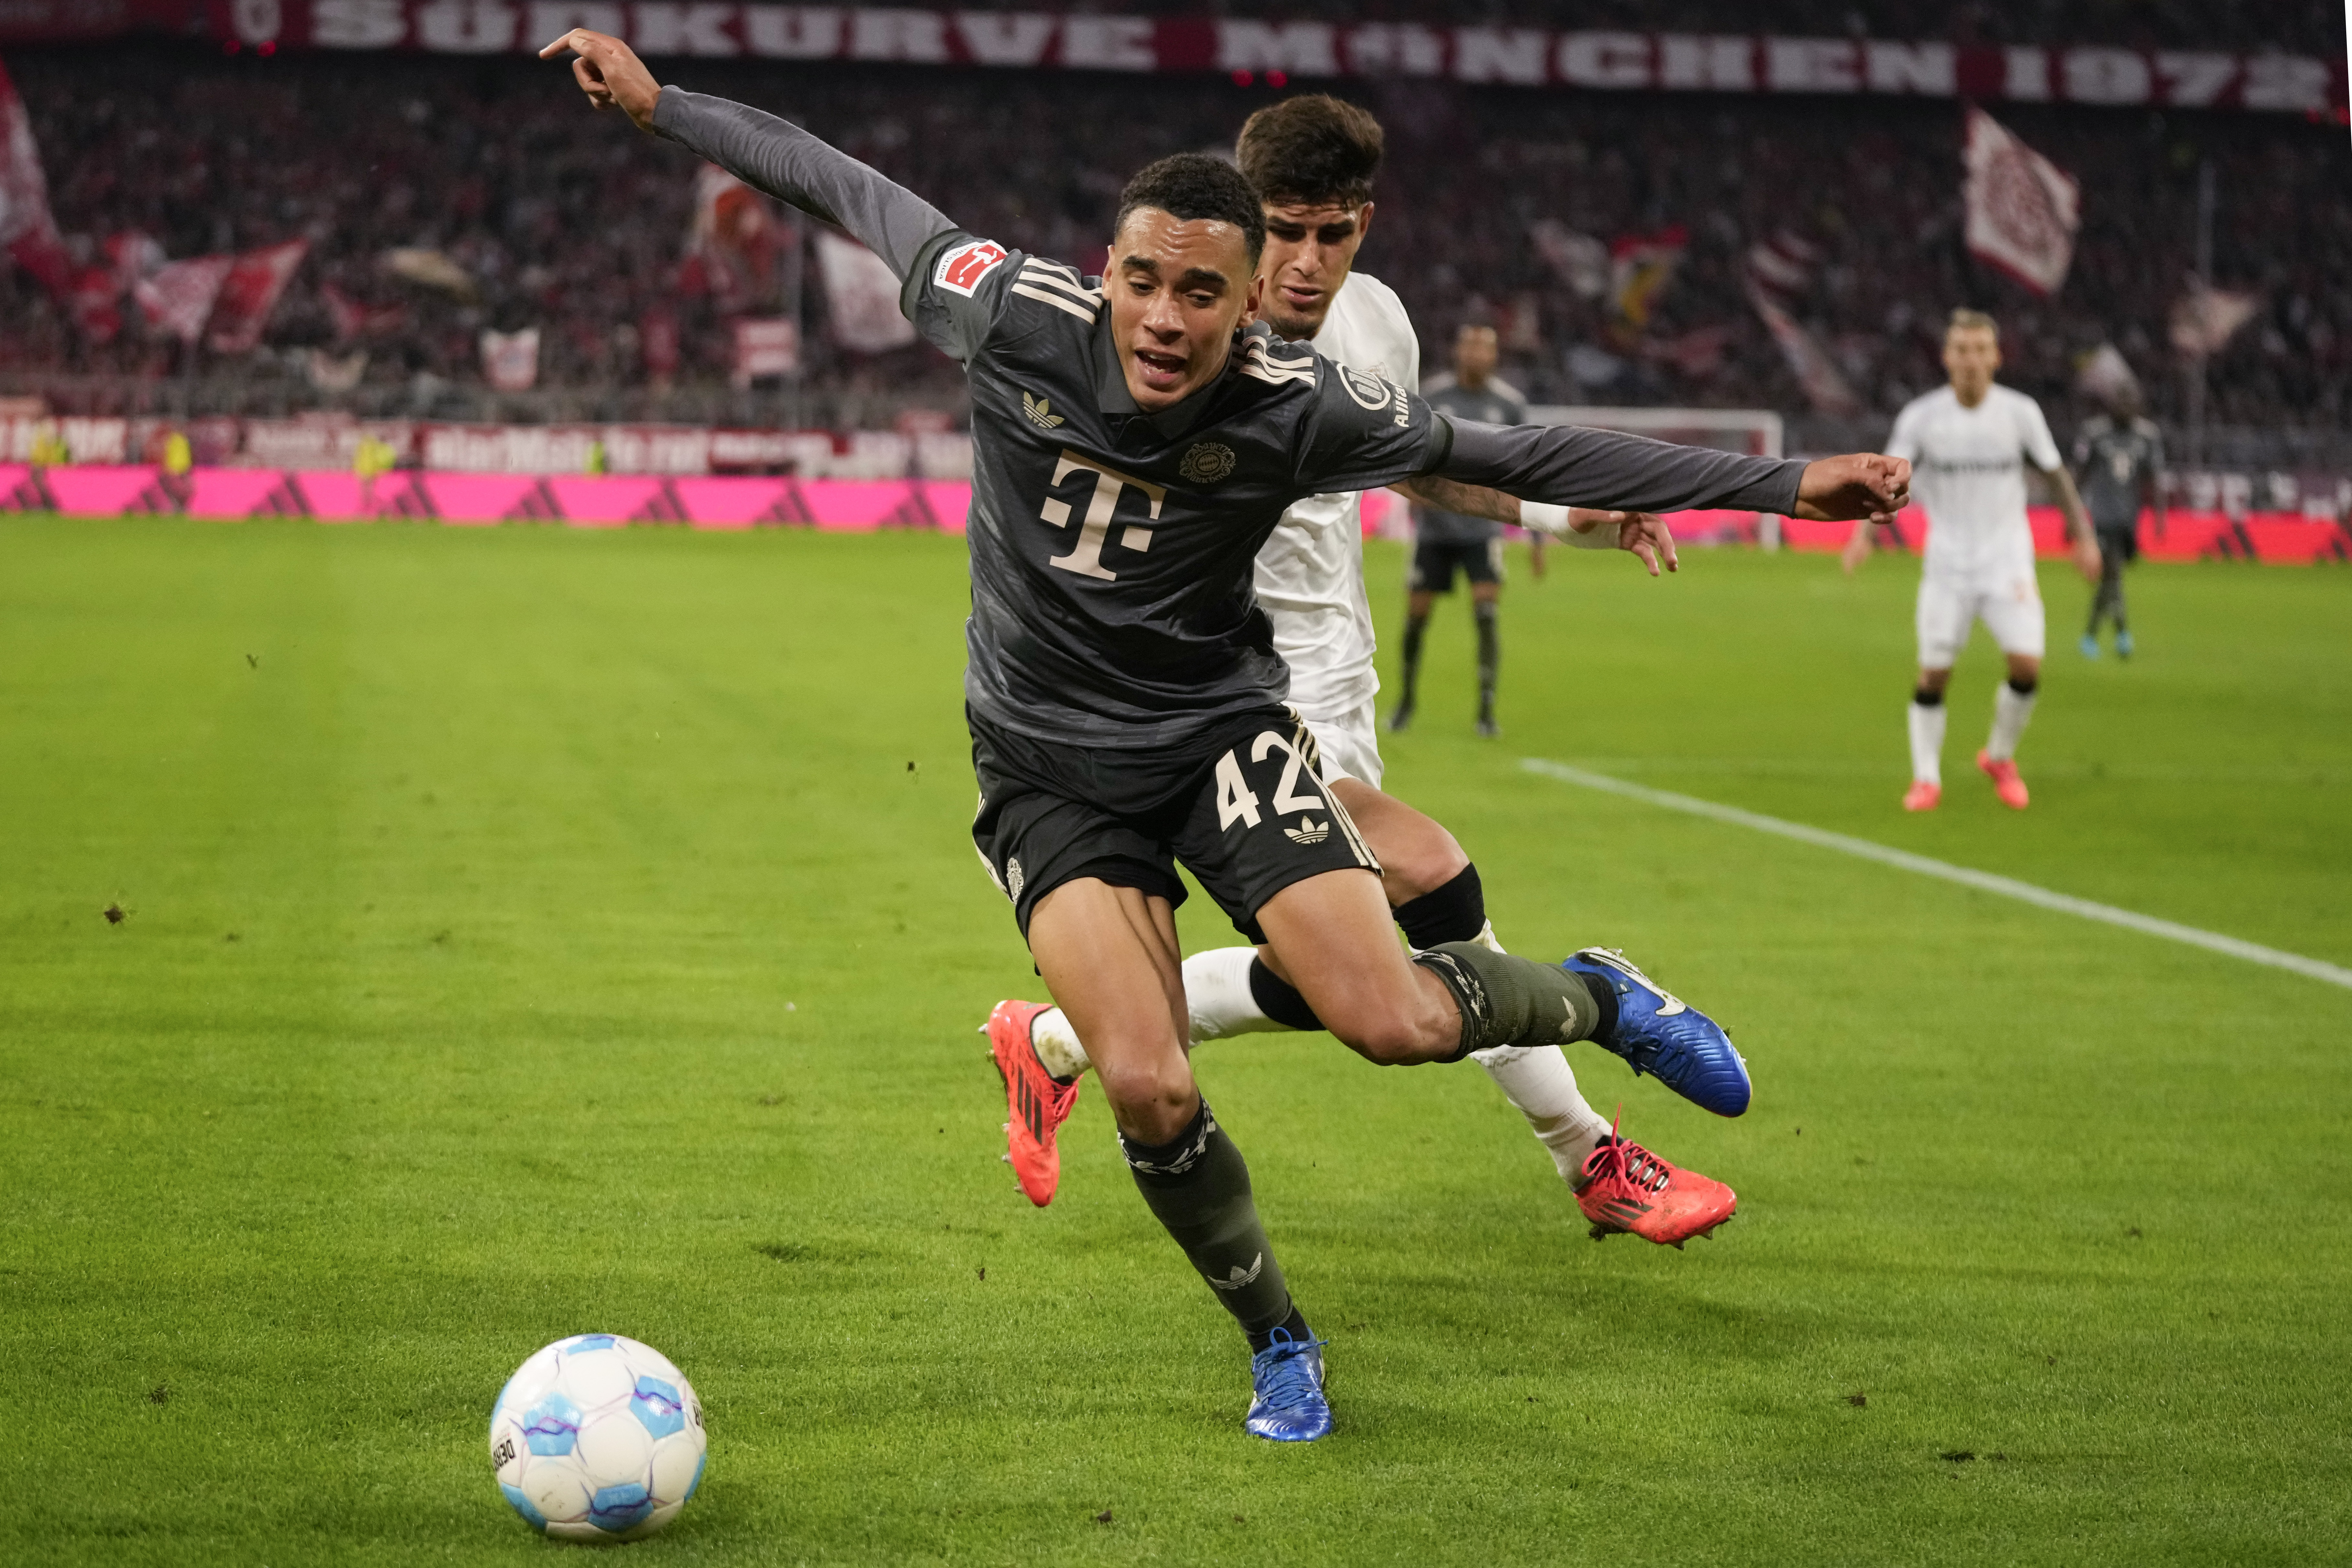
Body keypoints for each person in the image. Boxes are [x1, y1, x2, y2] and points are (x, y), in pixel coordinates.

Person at [545, 29, 1909, 1444]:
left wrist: (1786, 485)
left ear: (1243, 299)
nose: (1160, 316)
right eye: (1141, 279)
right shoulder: (1006, 309)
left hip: (1217, 738)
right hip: (1049, 770)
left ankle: (1600, 999)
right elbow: (841, 183)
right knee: (1141, 1076)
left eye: (1199, 292)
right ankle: (1280, 1342)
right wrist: (664, 106)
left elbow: (1520, 453)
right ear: (1109, 269)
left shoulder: (1298, 404)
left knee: (1391, 1016)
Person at [989, 94, 1736, 1256]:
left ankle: (1050, 1042)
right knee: (1435, 892)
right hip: (1218, 704)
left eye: (1328, 233)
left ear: (1361, 227)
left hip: (1333, 690)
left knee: (1349, 981)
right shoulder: (1170, 333)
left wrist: (1562, 513)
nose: (1301, 262)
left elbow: (1424, 467)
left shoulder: (1376, 326)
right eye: (1277, 231)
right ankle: (1590, 1151)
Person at [1844, 309, 2096, 812]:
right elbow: (1886, 478)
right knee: (1934, 673)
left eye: (1981, 350)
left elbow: (2055, 475)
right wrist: (1864, 535)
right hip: (1948, 565)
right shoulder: (1922, 417)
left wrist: (2083, 536)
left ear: (1997, 357)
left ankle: (1999, 756)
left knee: (2026, 665)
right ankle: (1926, 778)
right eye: (1961, 350)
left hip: (2008, 562)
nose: (1971, 360)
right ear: (1946, 357)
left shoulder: (2020, 412)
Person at [1390, 322, 1527, 737]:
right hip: (1434, 531)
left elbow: (1524, 472)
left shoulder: (1510, 405)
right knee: (1417, 619)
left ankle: (1487, 710)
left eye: (1485, 348)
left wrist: (1536, 536)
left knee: (1486, 615)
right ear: (1458, 352)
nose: (1477, 355)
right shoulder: (1433, 396)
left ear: (1495, 355)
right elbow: (1409, 455)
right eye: (1470, 346)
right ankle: (1406, 702)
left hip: (1483, 531)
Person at [2073, 387, 2165, 659]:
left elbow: (2154, 478)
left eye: (2130, 402)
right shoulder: (2094, 433)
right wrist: (2074, 517)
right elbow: (2081, 474)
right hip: (2102, 515)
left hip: (2128, 518)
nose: (2124, 408)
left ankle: (2093, 636)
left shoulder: (2147, 436)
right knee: (2111, 573)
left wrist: (2160, 515)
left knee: (2111, 577)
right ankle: (2119, 635)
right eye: (2119, 402)